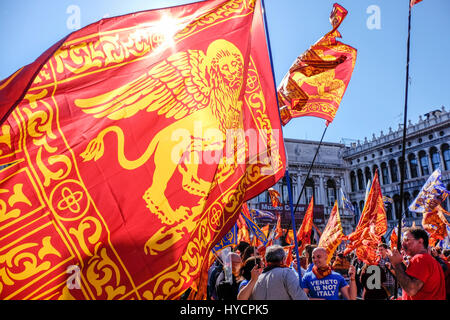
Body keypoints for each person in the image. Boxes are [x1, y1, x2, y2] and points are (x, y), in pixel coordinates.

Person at [387, 227, 446, 300]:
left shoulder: (420, 258)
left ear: (420, 241)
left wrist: (397, 264)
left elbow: (411, 289)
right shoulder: (429, 260)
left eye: (406, 240)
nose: (403, 243)